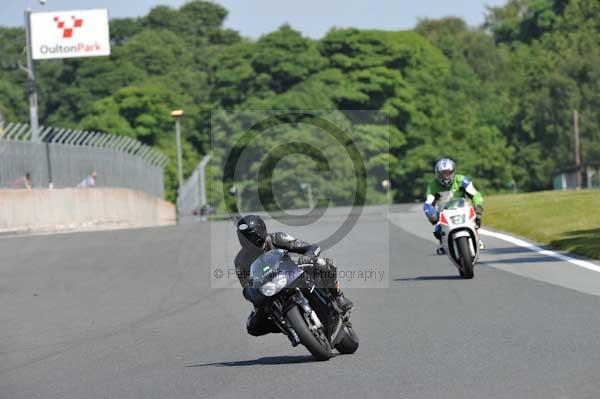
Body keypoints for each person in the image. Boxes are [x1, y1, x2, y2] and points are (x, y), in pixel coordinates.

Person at [234, 214, 353, 337]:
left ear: (261, 231)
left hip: (291, 274)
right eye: (245, 238)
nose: (250, 242)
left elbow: (311, 247)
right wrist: (254, 294)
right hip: (268, 289)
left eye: (252, 237)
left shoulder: (276, 238)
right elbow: (247, 288)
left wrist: (308, 257)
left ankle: (338, 296)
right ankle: (287, 324)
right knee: (253, 326)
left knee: (323, 264)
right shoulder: (240, 261)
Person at [422, 158, 484, 254]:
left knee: (475, 220)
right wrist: (431, 214)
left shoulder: (462, 180)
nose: (446, 176)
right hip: (444, 212)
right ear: (437, 174)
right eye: (443, 173)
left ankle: (476, 238)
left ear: (453, 172)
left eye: (448, 173)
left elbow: (475, 194)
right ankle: (443, 243)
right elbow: (428, 203)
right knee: (437, 230)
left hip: (463, 208)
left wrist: (478, 208)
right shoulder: (432, 186)